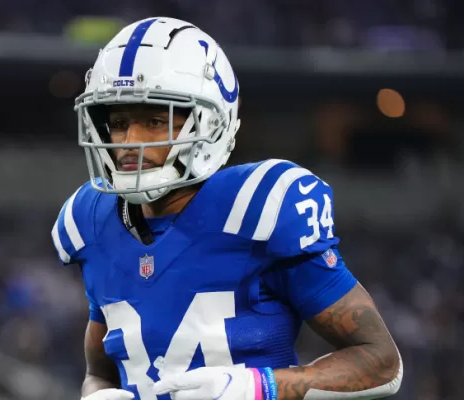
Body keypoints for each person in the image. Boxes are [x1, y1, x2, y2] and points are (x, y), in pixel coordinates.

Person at [51, 17, 402, 400]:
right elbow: (100, 371)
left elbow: (382, 363)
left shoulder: (257, 210)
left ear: (211, 124)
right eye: (119, 123)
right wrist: (95, 393)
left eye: (155, 121)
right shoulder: (90, 222)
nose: (130, 142)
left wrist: (257, 387)